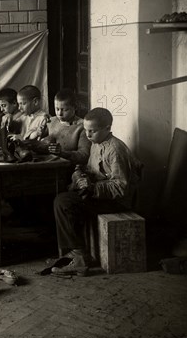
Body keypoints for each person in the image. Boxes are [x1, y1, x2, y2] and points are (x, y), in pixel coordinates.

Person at [52, 108, 142, 275]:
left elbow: (121, 187)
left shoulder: (115, 150)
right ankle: (72, 253)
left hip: (117, 202)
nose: (87, 135)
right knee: (63, 196)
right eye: (86, 130)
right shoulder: (96, 143)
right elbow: (90, 168)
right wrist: (80, 173)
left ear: (107, 128)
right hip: (101, 195)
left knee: (64, 202)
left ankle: (79, 257)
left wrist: (92, 187)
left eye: (92, 131)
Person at [39, 89, 90, 165]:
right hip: (50, 164)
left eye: (65, 110)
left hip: (71, 167)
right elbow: (40, 143)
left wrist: (62, 153)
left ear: (75, 107)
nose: (60, 113)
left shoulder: (82, 127)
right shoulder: (51, 121)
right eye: (57, 109)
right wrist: (40, 132)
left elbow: (84, 155)